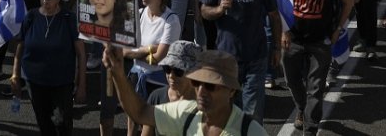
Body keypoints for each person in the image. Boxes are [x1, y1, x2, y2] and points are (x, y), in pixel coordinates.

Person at [200, 0, 281, 123]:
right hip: (227, 60)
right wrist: (219, 9)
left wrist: (276, 48)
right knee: (229, 114)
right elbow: (204, 11)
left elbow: (274, 16)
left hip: (255, 57)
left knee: (252, 115)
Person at [103, 46, 266, 135]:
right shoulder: (187, 113)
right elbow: (139, 112)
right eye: (197, 82)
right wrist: (118, 72)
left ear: (231, 91)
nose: (201, 91)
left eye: (210, 86)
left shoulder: (251, 132)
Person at [282, 0, 354, 135]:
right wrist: (283, 30)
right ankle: (301, 108)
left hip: (321, 40)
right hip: (295, 37)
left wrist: (338, 28)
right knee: (291, 79)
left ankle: (311, 127)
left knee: (316, 86)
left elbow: (348, 1)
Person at [11, 0, 86, 136]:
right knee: (44, 123)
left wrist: (81, 85)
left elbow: (81, 53)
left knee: (62, 123)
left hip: (62, 83)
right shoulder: (31, 17)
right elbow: (21, 46)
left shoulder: (69, 19)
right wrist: (15, 74)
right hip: (34, 82)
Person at [123, 0, 180, 136]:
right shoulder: (139, 14)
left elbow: (159, 58)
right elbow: (124, 50)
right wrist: (149, 49)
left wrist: (135, 53)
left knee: (151, 127)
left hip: (157, 81)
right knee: (132, 119)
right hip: (136, 75)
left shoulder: (171, 20)